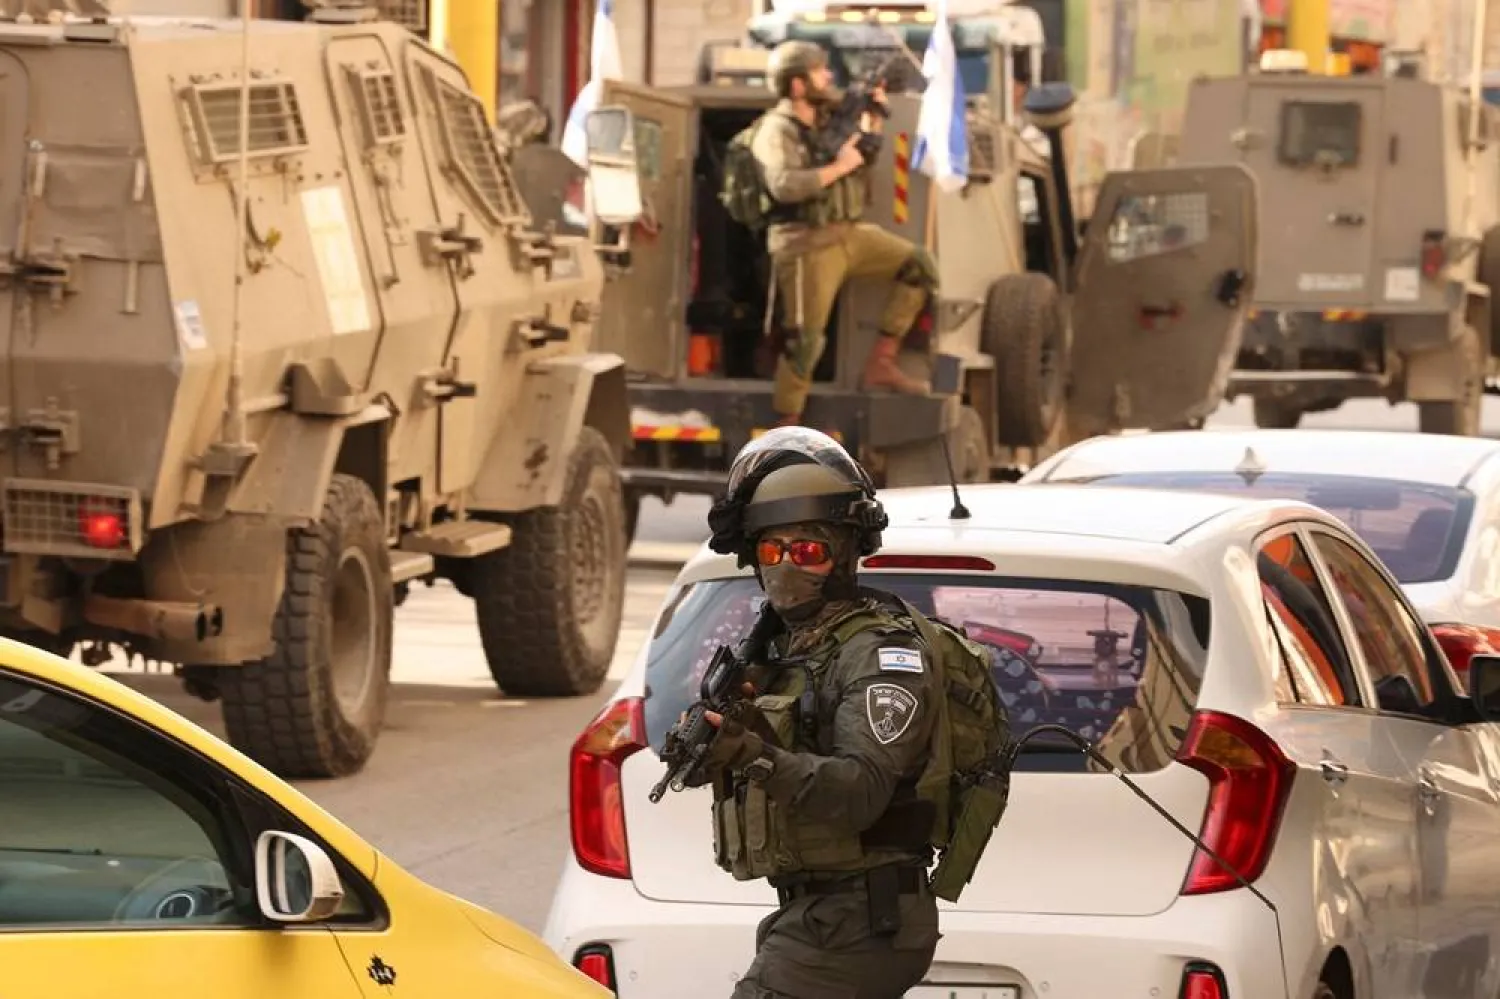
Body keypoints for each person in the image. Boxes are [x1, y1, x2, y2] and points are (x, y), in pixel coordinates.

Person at [698, 426, 944, 998]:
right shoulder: (790, 647)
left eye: (807, 551)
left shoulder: (884, 656)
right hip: (815, 916)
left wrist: (755, 756)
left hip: (863, 922)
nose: (786, 566)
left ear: (844, 557)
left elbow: (860, 792)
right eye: (771, 550)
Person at [750, 40, 938, 428]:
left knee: (919, 265)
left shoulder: (825, 120)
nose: (828, 75)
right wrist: (840, 165)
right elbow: (784, 185)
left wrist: (871, 115)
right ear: (797, 85)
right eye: (819, 71)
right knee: (805, 341)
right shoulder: (776, 130)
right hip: (805, 244)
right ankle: (786, 426)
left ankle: (881, 362)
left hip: (846, 234)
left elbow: (863, 154)